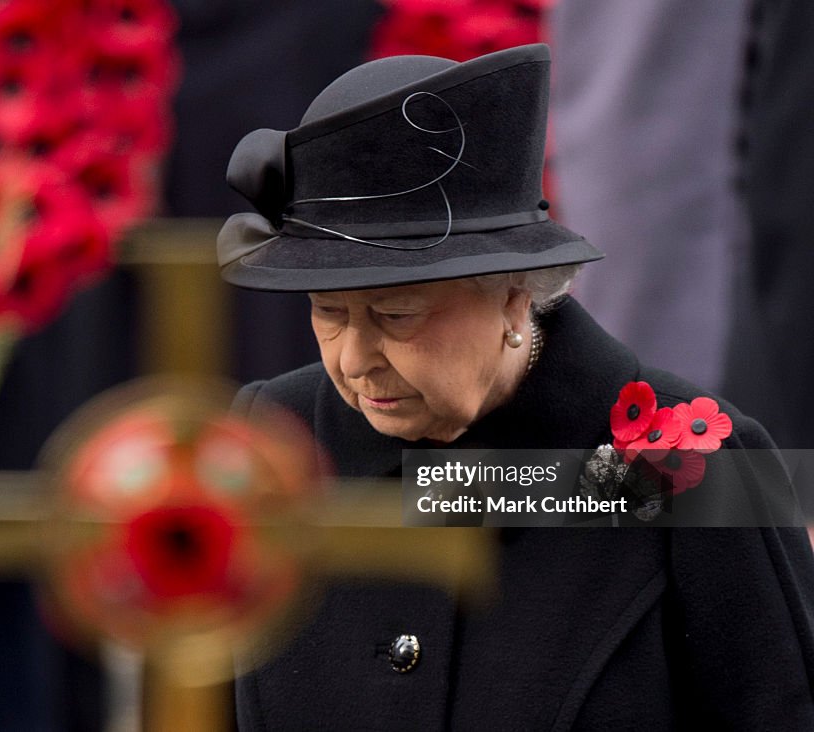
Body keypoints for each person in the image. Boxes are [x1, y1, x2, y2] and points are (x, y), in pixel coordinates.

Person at [215, 44, 814, 729]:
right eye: (328, 312)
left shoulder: (698, 464)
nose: (354, 358)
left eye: (396, 316)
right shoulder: (272, 440)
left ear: (511, 298)